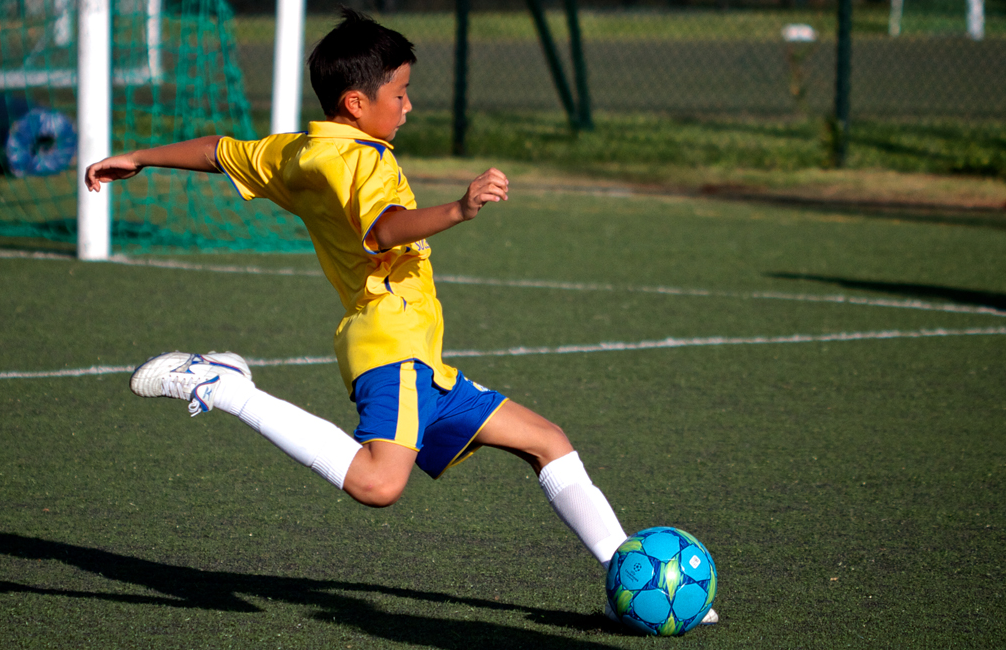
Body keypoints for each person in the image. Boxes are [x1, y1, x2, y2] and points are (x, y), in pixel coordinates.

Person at [85, 7, 715, 626]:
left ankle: (623, 580)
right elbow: (383, 229)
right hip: (392, 344)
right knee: (378, 484)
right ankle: (224, 385)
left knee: (546, 442)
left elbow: (219, 151)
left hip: (416, 354)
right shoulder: (365, 160)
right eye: (402, 93)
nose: (409, 106)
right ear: (357, 103)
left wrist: (140, 155)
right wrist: (460, 209)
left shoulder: (300, 149)